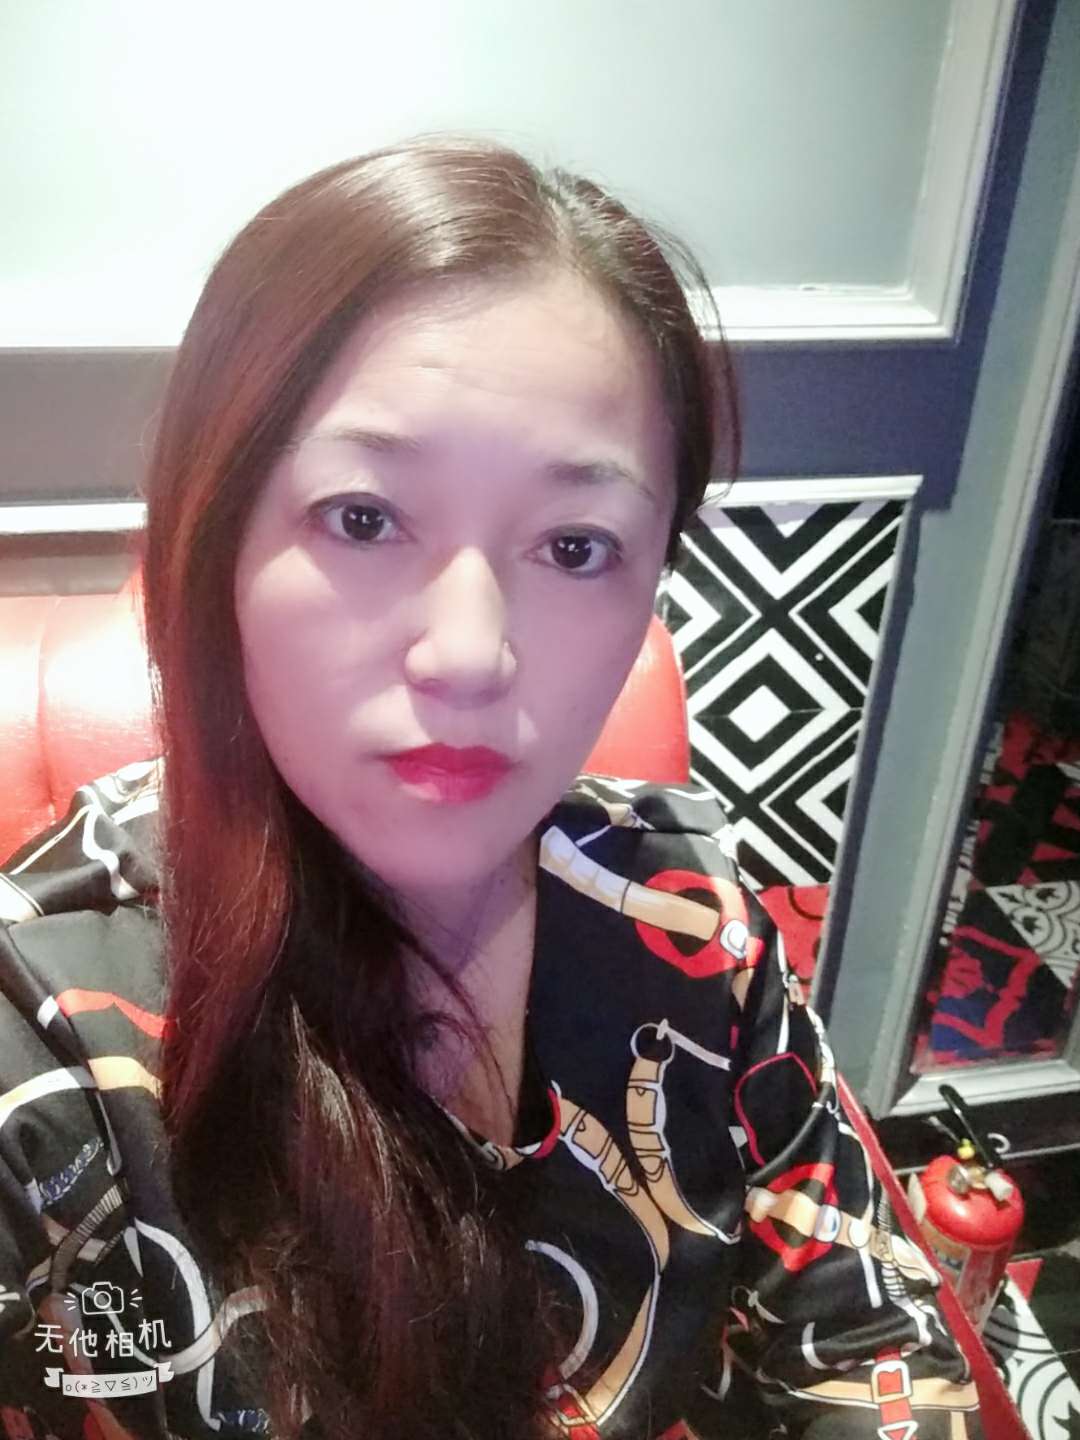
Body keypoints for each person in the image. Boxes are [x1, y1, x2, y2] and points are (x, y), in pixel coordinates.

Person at [0, 134, 983, 1440]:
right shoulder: (40, 1029)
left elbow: (866, 1341)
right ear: (214, 537)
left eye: (576, 545)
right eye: (363, 518)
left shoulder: (690, 920)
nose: (469, 653)